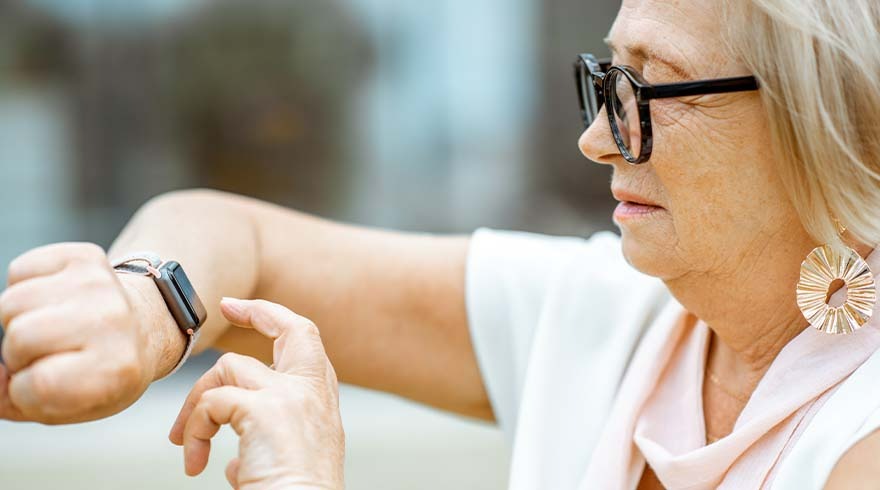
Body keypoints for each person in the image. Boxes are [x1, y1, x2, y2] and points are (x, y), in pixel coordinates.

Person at [2, 0, 880, 488]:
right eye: (608, 82)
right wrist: (146, 306)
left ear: (832, 116)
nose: (599, 140)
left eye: (654, 92)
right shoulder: (612, 314)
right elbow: (243, 241)